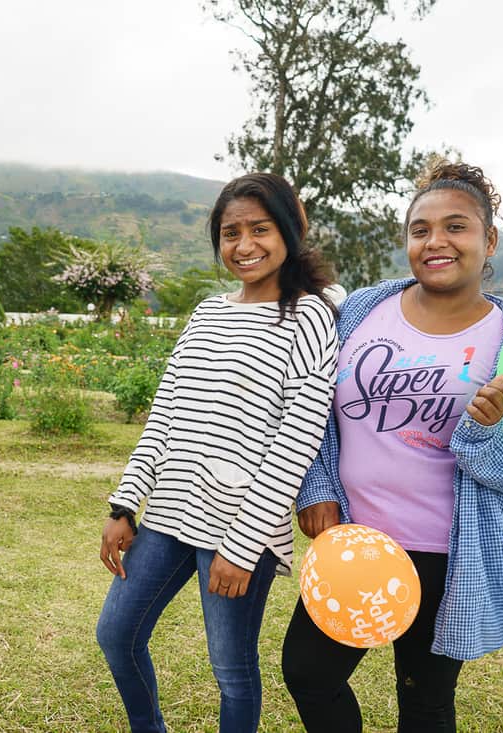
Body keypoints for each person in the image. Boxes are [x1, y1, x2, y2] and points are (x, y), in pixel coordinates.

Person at [281, 161, 503, 732]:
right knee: (309, 674)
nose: (436, 241)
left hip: (448, 558)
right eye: (420, 229)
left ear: (489, 240)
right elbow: (311, 407)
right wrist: (316, 488)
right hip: (355, 546)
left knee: (425, 701)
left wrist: (484, 437)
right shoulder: (362, 312)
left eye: (456, 227)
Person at [96, 173, 339, 733]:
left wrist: (243, 546)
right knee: (116, 633)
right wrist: (125, 505)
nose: (245, 245)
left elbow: (295, 443)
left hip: (240, 530)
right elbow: (165, 415)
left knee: (230, 669)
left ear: (290, 232)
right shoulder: (207, 313)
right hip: (172, 513)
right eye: (231, 233)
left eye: (260, 229)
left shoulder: (308, 317)